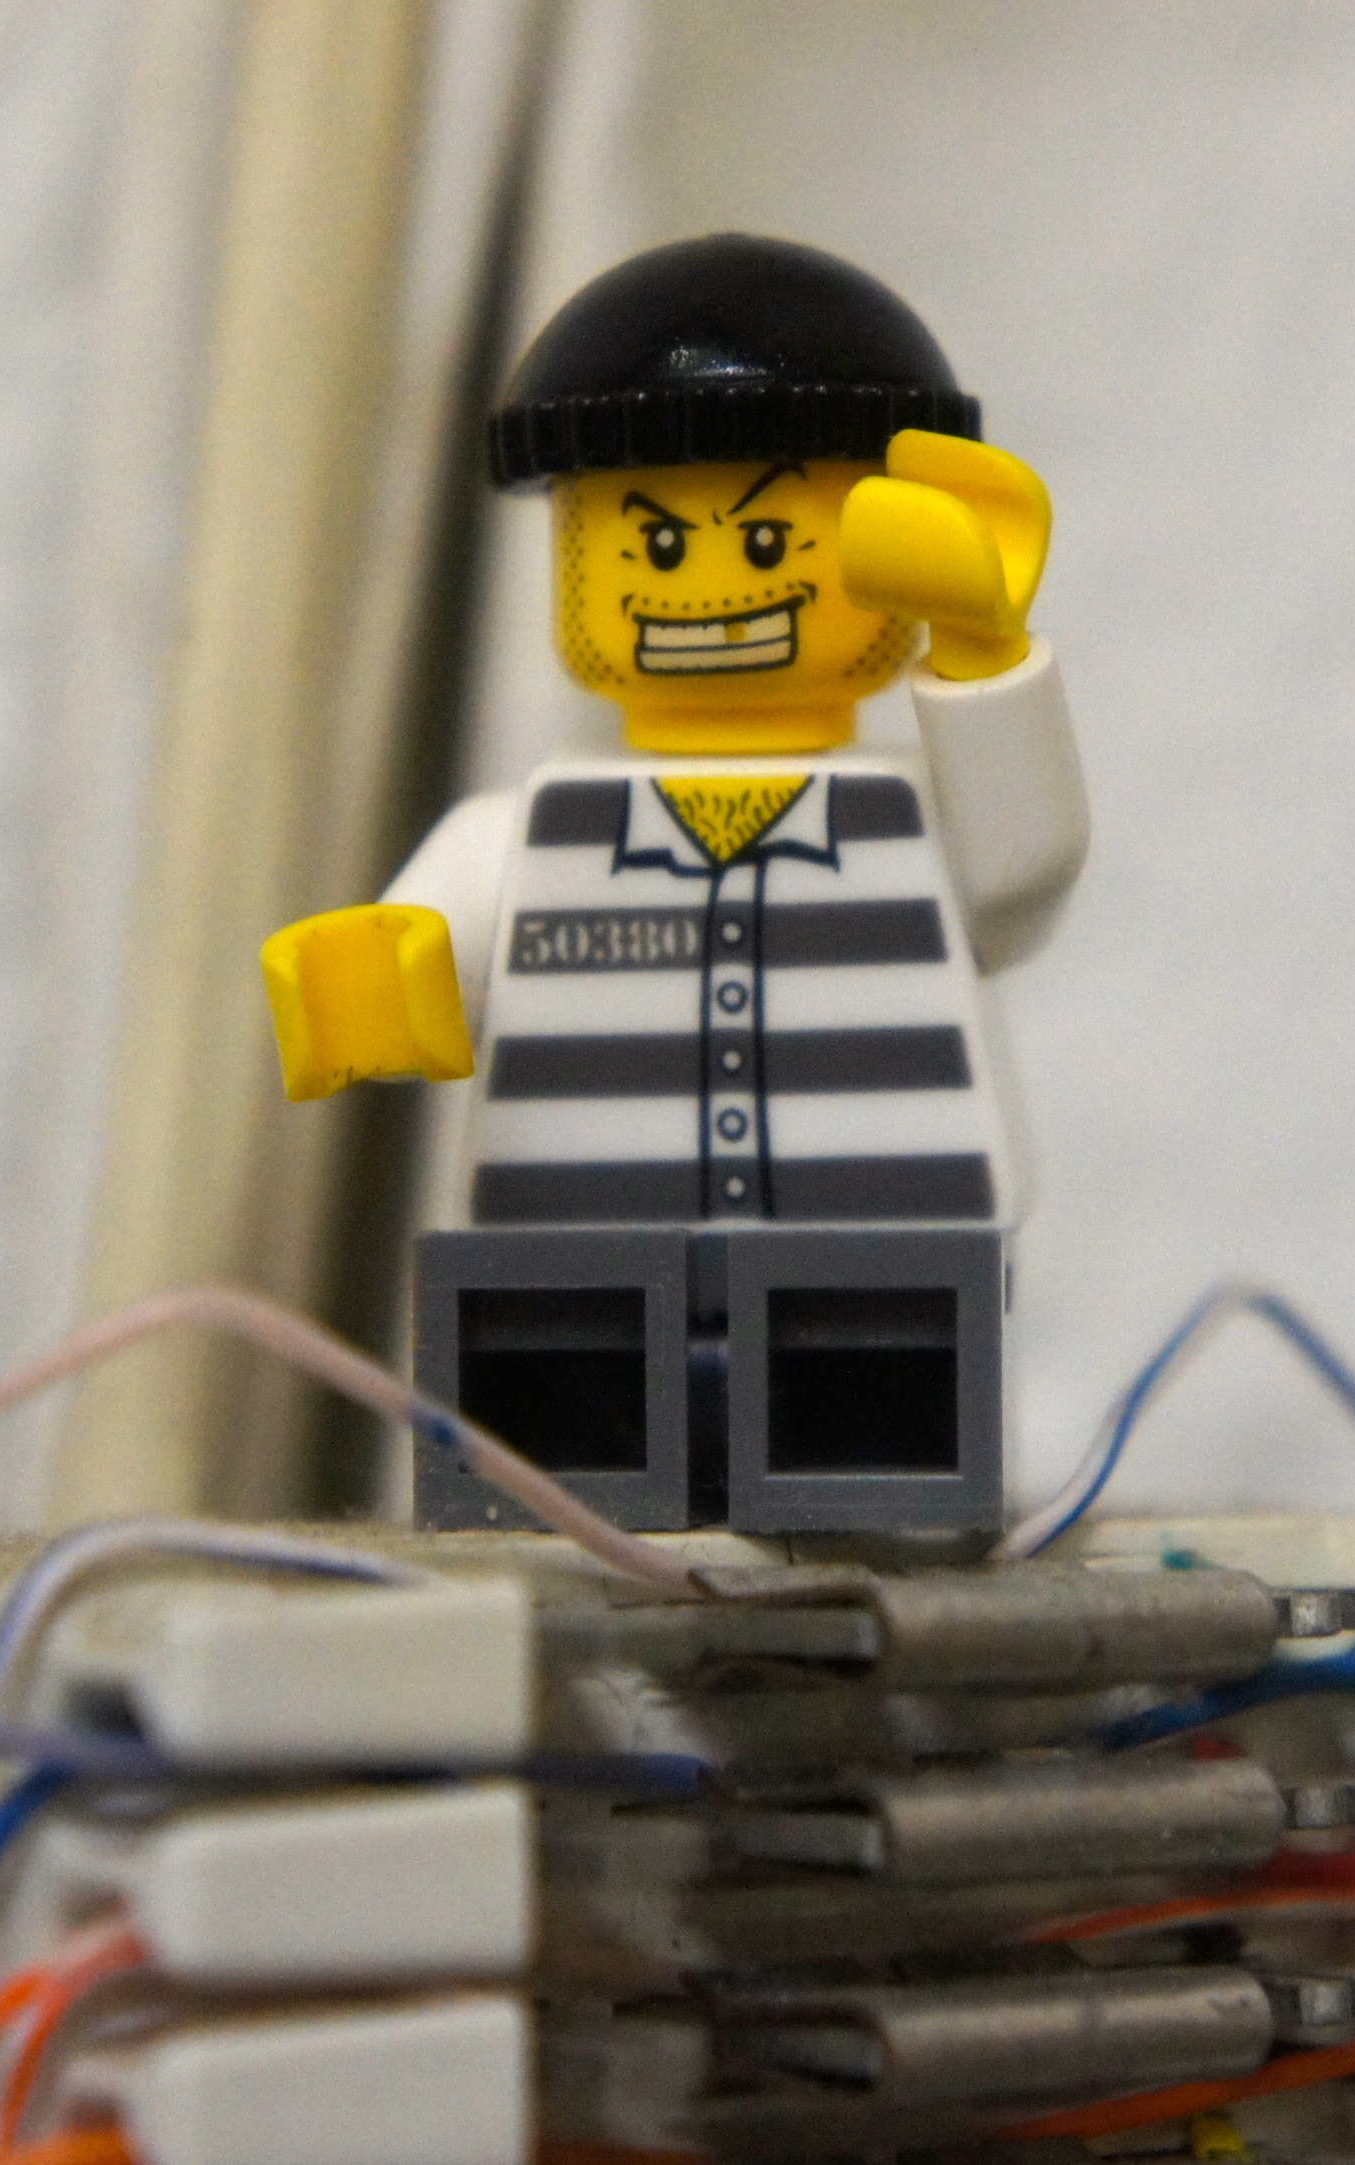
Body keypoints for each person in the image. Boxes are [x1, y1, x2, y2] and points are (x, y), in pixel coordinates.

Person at [261, 234, 1086, 1532]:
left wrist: (982, 651)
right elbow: (422, 949)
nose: (705, 590)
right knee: (571, 1529)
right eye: (648, 541)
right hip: (577, 1288)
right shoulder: (531, 836)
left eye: (767, 540)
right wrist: (375, 977)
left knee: (876, 1522)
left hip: (879, 1282)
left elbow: (1027, 872)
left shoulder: (921, 820)